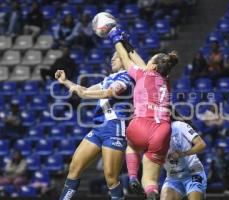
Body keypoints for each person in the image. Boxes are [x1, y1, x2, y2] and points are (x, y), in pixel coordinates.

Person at [107, 27, 178, 199]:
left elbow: (125, 58)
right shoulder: (166, 81)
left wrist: (115, 38)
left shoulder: (143, 74)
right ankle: (151, 193)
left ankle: (132, 176)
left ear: (152, 65)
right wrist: (128, 44)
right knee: (151, 180)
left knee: (132, 145)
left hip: (141, 123)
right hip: (163, 129)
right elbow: (140, 61)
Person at [56, 52, 134, 200]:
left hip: (114, 128)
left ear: (125, 60)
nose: (112, 58)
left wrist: (83, 93)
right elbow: (84, 90)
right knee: (74, 168)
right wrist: (66, 82)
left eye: (116, 57)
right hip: (99, 129)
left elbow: (109, 92)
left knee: (111, 179)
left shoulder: (126, 77)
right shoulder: (109, 79)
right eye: (111, 56)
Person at [160, 120, 207, 200]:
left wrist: (183, 154)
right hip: (173, 177)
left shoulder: (179, 125)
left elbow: (201, 144)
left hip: (193, 173)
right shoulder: (151, 135)